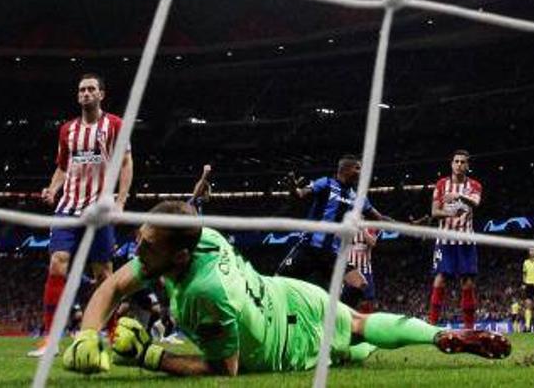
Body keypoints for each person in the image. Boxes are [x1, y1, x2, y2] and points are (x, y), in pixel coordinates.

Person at [60, 201, 510, 377]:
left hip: (290, 340)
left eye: (147, 243)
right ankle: (437, 333)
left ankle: (430, 338)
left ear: (177, 257)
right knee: (358, 326)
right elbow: (115, 284)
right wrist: (87, 332)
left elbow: (225, 369)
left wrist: (151, 357)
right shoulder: (201, 237)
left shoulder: (203, 294)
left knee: (350, 343)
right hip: (287, 292)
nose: (137, 248)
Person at [32, 73, 132, 356]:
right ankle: (50, 338)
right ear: (78, 96)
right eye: (81, 90)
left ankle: (112, 332)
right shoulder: (67, 130)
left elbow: (126, 162)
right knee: (57, 263)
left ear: (101, 94)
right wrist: (52, 190)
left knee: (103, 275)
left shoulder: (114, 125)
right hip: (68, 208)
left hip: (99, 210)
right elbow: (63, 168)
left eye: (91, 89)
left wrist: (121, 202)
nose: (85, 93)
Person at [277, 155, 390, 304]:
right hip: (309, 248)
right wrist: (293, 188)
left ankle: (336, 320)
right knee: (278, 283)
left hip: (333, 255)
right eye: (357, 168)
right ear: (345, 169)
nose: (361, 172)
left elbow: (380, 218)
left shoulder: (358, 198)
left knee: (360, 285)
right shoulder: (326, 183)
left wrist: (409, 225)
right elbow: (300, 194)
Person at [429, 150, 483, 329]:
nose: (459, 164)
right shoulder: (441, 184)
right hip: (445, 240)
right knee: (440, 279)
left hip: (466, 240)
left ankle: (469, 328)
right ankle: (432, 326)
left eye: (463, 162)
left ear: (467, 166)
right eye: (456, 161)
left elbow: (475, 203)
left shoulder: (474, 185)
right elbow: (434, 212)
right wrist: (449, 212)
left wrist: (458, 196)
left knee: (467, 282)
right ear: (451, 164)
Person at [345, 227, 378, 314]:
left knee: (368, 299)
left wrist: (363, 230)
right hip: (350, 269)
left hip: (365, 269)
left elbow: (373, 243)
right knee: (347, 299)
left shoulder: (370, 228)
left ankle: (366, 323)